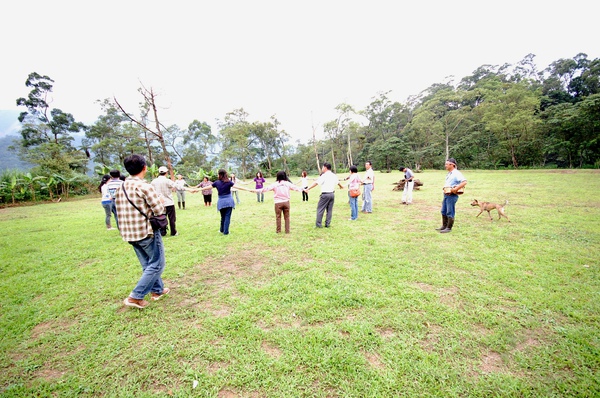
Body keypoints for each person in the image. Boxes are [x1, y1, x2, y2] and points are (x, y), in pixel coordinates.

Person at [114, 154, 169, 309]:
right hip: (146, 232)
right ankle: (135, 297)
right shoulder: (144, 186)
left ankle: (157, 290)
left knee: (147, 263)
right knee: (157, 263)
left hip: (129, 233)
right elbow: (158, 210)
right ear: (145, 167)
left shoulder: (121, 187)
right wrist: (161, 201)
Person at [210, 169, 253, 235]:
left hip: (221, 202)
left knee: (223, 216)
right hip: (229, 201)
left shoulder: (216, 182)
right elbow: (238, 187)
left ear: (219, 175)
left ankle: (222, 230)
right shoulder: (228, 182)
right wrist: (249, 189)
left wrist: (195, 189)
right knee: (227, 216)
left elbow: (207, 187)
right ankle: (225, 232)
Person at [305, 162, 343, 228]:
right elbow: (338, 183)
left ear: (325, 168)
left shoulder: (324, 175)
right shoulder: (333, 175)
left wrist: (308, 188)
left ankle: (318, 224)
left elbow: (316, 183)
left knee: (320, 209)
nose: (322, 168)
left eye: (322, 167)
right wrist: (341, 186)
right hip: (332, 194)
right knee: (329, 210)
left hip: (325, 195)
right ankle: (327, 224)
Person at [437, 158, 467, 233]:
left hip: (452, 195)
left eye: (447, 164)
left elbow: (464, 182)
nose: (445, 166)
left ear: (452, 165)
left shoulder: (456, 173)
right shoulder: (450, 173)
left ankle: (449, 228)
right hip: (446, 194)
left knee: (450, 211)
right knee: (443, 210)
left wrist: (455, 189)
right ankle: (444, 226)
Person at [151, 166, 178, 237]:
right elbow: (177, 186)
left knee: (161, 217)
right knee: (172, 218)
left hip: (159, 203)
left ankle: (163, 232)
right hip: (169, 202)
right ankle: (173, 232)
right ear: (166, 173)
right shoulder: (167, 181)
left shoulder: (154, 181)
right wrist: (190, 189)